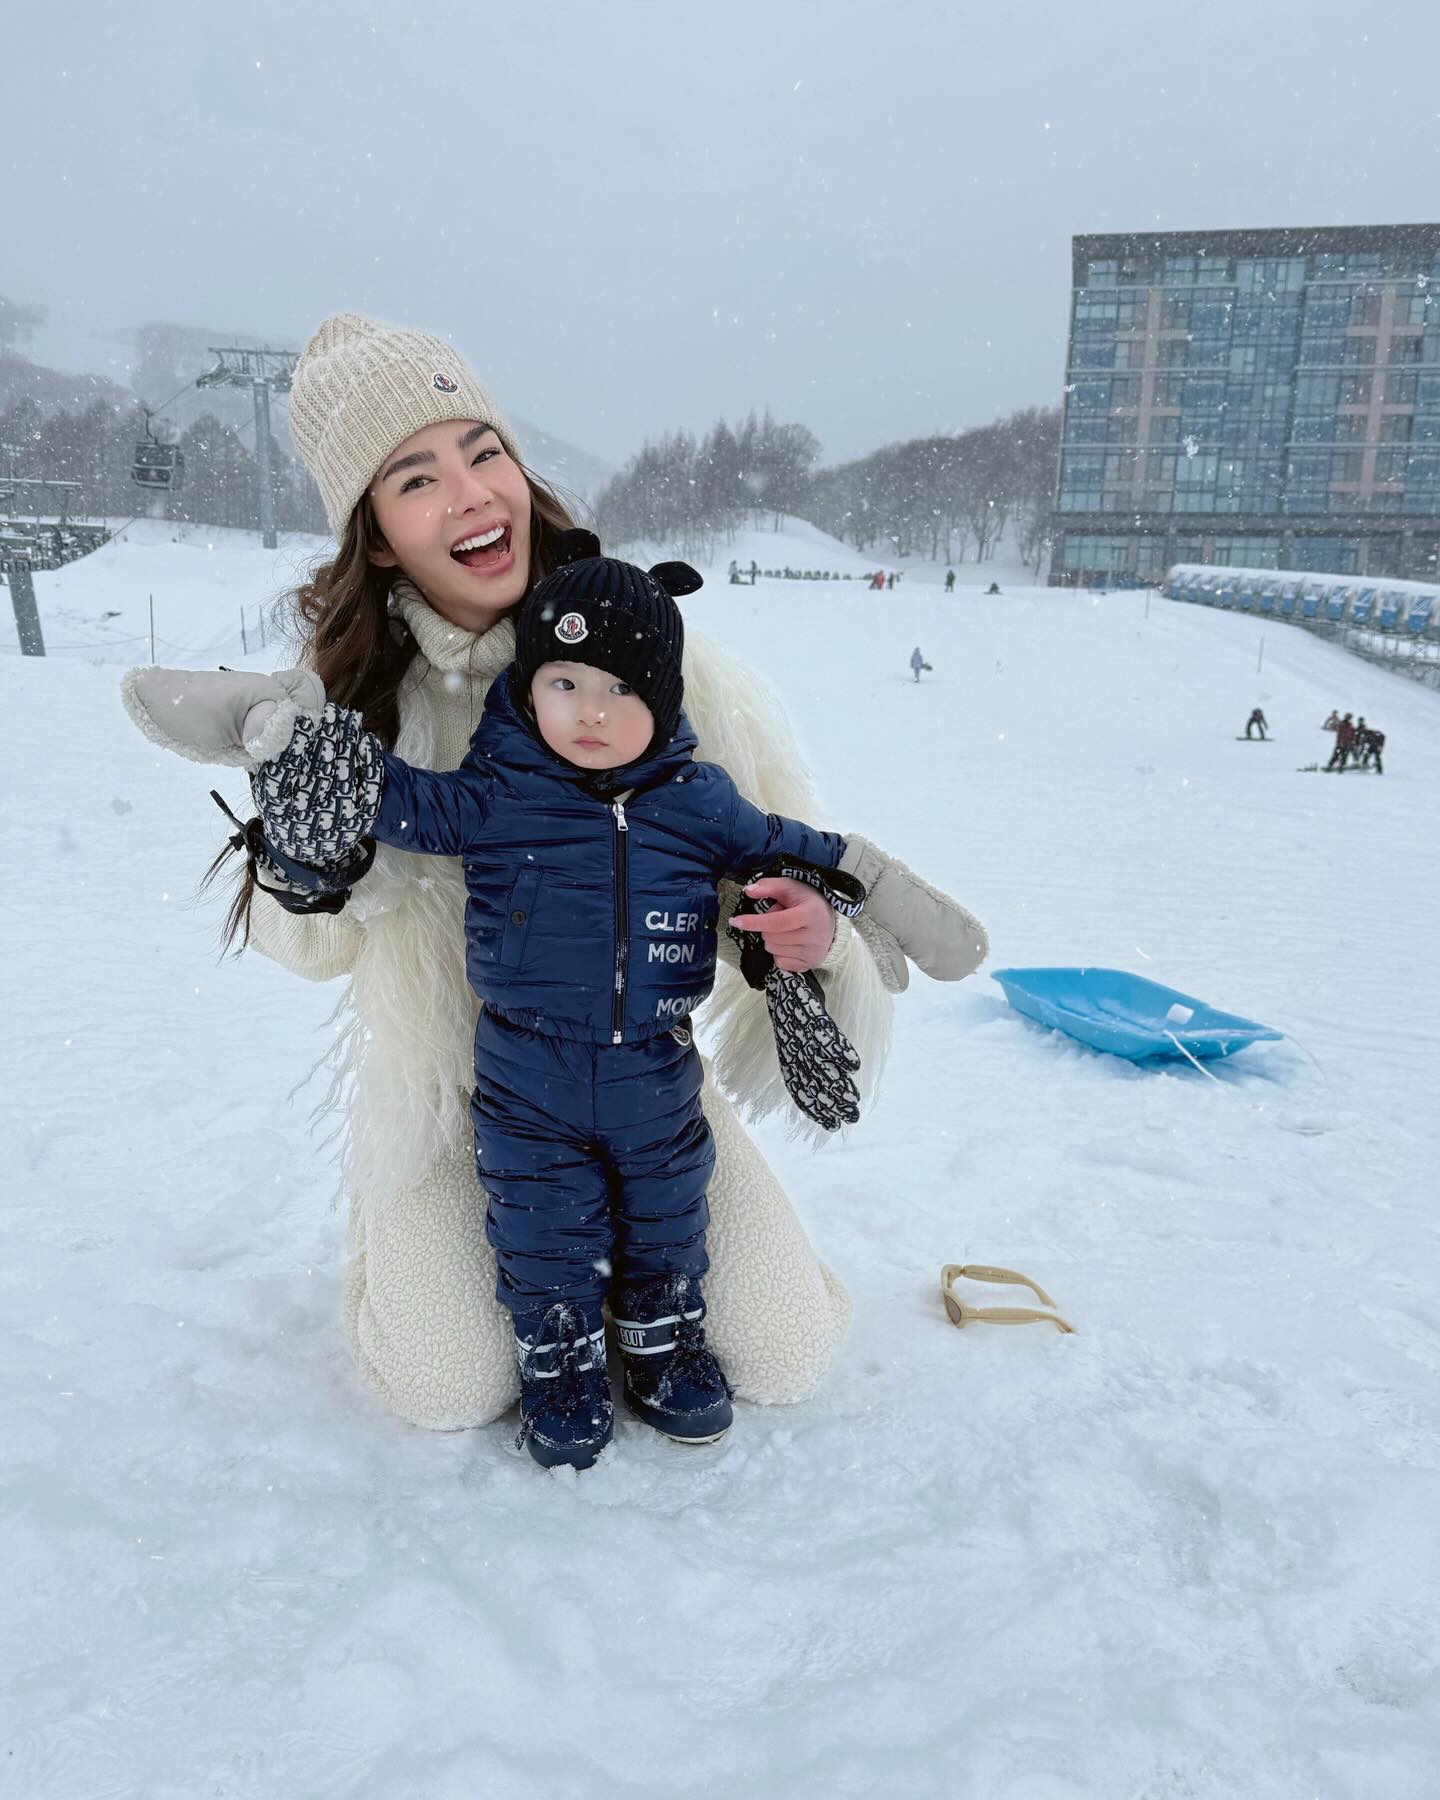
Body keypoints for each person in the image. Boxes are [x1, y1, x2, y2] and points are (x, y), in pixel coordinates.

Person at [121, 313, 983, 1438]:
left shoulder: (664, 663)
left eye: (484, 452)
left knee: (784, 1350)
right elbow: (313, 947)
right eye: (416, 478)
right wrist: (309, 861)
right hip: (459, 1095)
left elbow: (769, 867)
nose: (473, 494)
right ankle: (410, 1246)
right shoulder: (348, 708)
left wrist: (807, 931)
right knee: (450, 1388)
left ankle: (643, 1287)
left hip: (644, 1079)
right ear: (377, 535)